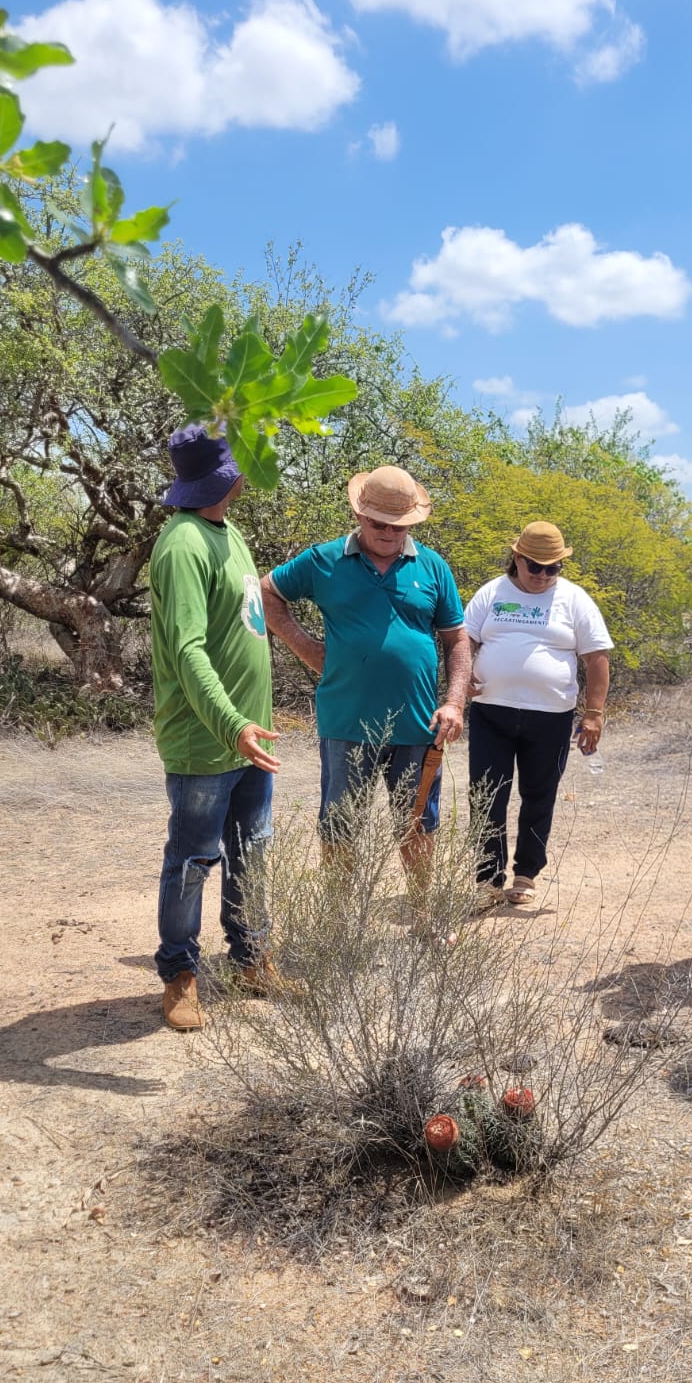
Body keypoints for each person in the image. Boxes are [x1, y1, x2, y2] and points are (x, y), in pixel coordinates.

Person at [260, 465, 470, 893]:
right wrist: (308, 649)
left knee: (418, 823)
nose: (390, 532)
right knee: (340, 825)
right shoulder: (323, 560)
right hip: (346, 723)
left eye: (400, 524)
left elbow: (457, 639)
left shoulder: (432, 567)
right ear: (359, 515)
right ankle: (337, 917)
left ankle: (422, 913)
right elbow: (266, 593)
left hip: (418, 726)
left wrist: (454, 703)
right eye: (379, 523)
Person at [150, 423, 285, 1033]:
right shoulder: (182, 544)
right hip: (206, 740)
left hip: (248, 739)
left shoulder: (229, 533)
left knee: (252, 852)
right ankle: (179, 973)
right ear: (225, 477)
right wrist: (232, 724)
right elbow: (187, 651)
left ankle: (251, 958)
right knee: (193, 860)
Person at [464, 522, 612, 910]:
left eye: (553, 568)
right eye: (535, 566)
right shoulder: (491, 593)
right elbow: (464, 640)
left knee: (539, 795)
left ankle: (526, 874)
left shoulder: (575, 599)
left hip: (551, 716)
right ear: (517, 558)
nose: (543, 575)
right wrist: (460, 680)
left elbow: (597, 657)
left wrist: (593, 714)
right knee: (486, 795)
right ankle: (487, 879)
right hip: (491, 712)